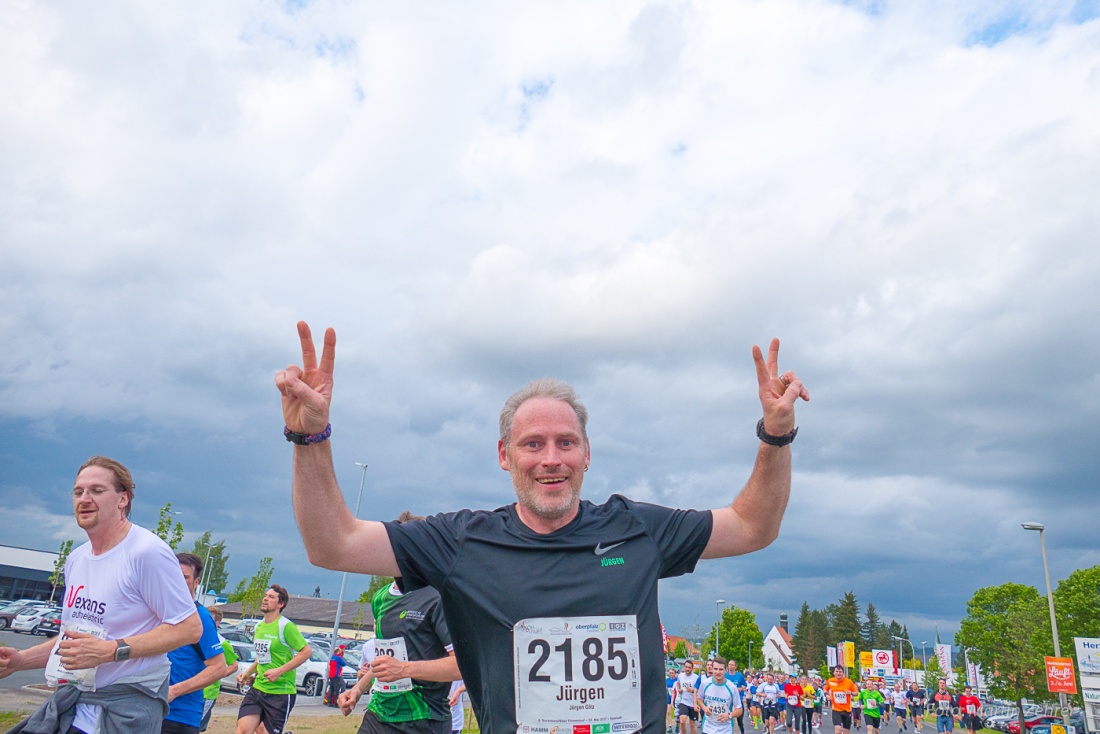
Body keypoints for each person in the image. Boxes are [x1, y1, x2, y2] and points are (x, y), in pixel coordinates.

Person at [278, 322, 808, 734]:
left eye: (565, 442)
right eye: (533, 444)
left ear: (587, 455)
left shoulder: (636, 530)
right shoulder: (462, 541)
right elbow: (333, 544)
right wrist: (310, 438)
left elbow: (752, 526)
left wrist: (776, 436)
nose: (550, 459)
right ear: (505, 456)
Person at [0, 456, 202, 734]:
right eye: (78, 491)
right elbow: (73, 641)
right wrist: (21, 661)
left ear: (123, 500)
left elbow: (189, 628)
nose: (84, 498)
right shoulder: (76, 559)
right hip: (73, 705)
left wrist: (111, 651)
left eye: (97, 490)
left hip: (122, 712)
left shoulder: (146, 552)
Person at [336, 513, 462, 734]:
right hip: (380, 712)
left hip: (424, 718)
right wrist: (357, 690)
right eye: (392, 542)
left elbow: (462, 666)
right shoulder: (381, 598)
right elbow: (386, 660)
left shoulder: (438, 596)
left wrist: (404, 669)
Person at [164, 553, 230, 734]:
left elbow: (219, 668)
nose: (178, 580)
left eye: (184, 577)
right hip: (151, 711)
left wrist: (174, 691)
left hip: (179, 718)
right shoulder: (161, 609)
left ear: (196, 582)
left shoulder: (201, 618)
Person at [235, 585, 312, 734]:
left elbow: (306, 652)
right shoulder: (259, 627)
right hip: (258, 689)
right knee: (243, 730)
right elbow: (261, 658)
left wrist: (279, 671)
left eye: (271, 597)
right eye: (265, 595)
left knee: (263, 731)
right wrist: (247, 674)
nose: (265, 599)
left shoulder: (286, 626)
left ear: (280, 604)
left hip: (280, 693)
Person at [200, 608, 239, 733]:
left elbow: (234, 665)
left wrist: (215, 674)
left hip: (208, 694)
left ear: (216, 623)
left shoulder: (222, 643)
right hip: (192, 690)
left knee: (196, 726)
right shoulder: (197, 637)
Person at [697, 657, 744, 734]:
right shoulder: (705, 684)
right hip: (708, 728)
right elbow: (699, 699)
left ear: (726, 670)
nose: (718, 672)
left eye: (721, 669)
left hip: (725, 730)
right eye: (715, 669)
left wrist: (729, 715)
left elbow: (739, 710)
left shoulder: (732, 687)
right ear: (712, 669)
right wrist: (705, 708)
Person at [824, 666, 859, 734]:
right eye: (837, 671)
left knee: (846, 732)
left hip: (847, 710)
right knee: (838, 730)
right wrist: (827, 695)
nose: (838, 673)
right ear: (834, 673)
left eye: (840, 672)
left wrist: (850, 692)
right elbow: (825, 689)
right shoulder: (830, 681)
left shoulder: (848, 682)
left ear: (843, 673)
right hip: (836, 710)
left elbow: (856, 693)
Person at [674, 661, 702, 734]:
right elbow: (678, 683)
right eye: (686, 667)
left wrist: (692, 690)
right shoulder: (680, 676)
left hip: (693, 703)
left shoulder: (696, 678)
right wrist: (679, 689)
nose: (687, 669)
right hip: (683, 701)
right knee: (682, 721)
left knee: (692, 724)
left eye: (689, 667)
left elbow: (699, 691)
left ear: (692, 668)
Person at [728, 660, 749, 734]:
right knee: (733, 719)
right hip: (728, 701)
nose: (730, 666)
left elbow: (745, 686)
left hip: (738, 700)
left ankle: (742, 731)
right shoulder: (725, 675)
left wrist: (741, 688)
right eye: (729, 664)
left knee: (739, 720)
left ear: (735, 666)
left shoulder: (739, 676)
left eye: (732, 665)